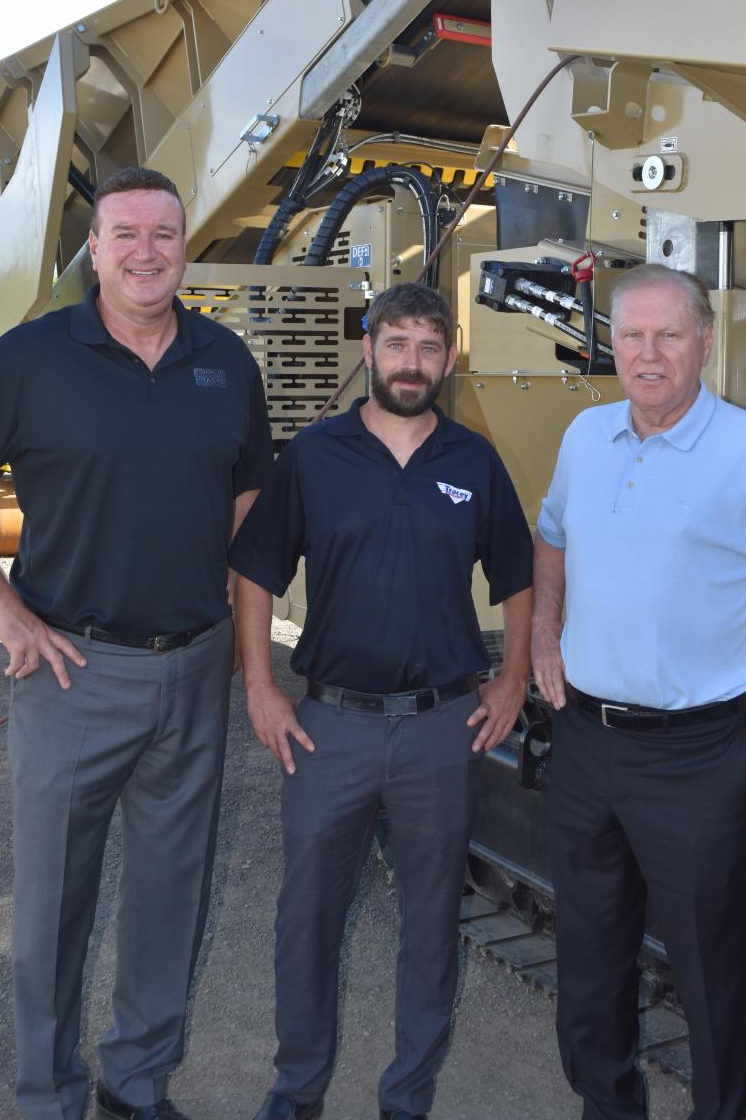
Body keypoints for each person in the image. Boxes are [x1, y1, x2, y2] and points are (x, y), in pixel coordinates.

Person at [0, 166, 274, 1120]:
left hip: (193, 669)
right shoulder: (27, 359)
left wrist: (227, 596)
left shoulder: (227, 361)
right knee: (53, 912)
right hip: (72, 672)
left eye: (165, 234)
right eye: (125, 233)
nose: (147, 251)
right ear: (93, 248)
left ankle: (134, 1086)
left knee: (170, 900)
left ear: (186, 247)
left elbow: (249, 489)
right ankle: (49, 1099)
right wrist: (1, 612)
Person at [532, 262, 746, 1120]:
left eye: (670, 334)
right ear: (613, 345)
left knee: (708, 973)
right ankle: (609, 1106)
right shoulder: (586, 438)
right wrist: (543, 632)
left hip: (702, 756)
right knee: (589, 961)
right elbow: (550, 537)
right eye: (632, 335)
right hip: (587, 742)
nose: (649, 353)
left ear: (706, 343)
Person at [230, 282, 533, 1120]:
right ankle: (296, 1092)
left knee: (432, 923)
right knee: (306, 923)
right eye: (396, 343)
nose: (411, 362)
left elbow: (519, 572)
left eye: (429, 347)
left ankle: (408, 1096)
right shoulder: (315, 456)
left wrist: (512, 681)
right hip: (331, 728)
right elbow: (255, 571)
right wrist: (261, 685)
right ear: (369, 350)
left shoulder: (472, 461)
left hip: (442, 728)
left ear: (448, 358)